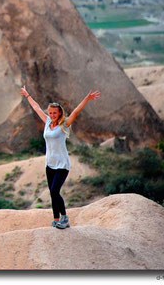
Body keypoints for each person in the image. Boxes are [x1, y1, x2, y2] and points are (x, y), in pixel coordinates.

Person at [19, 86, 100, 229]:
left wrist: (87, 99)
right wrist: (27, 95)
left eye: (54, 112)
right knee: (52, 193)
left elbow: (75, 112)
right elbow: (37, 108)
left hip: (62, 165)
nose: (52, 115)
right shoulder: (47, 123)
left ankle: (65, 218)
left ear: (59, 113)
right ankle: (56, 219)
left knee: (55, 191)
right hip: (50, 164)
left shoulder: (64, 125)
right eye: (50, 112)